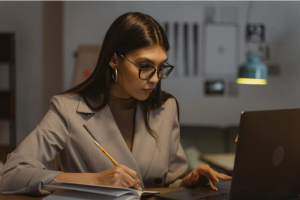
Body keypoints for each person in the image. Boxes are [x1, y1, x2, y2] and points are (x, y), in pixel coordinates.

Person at [0, 12, 231, 195]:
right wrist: (95, 180)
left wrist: (189, 181)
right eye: (144, 66)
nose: (154, 78)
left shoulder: (165, 107)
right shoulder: (67, 109)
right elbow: (11, 176)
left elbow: (169, 183)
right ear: (114, 60)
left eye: (161, 68)